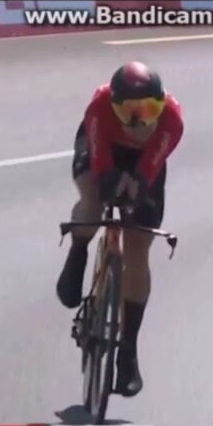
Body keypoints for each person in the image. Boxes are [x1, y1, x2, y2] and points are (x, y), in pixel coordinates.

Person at [56, 60, 184, 398]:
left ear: (161, 105)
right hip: (103, 147)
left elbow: (150, 166)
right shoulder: (99, 106)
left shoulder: (172, 119)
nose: (139, 120)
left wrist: (138, 182)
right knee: (93, 200)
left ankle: (128, 350)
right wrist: (108, 181)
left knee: (138, 246)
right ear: (113, 106)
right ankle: (79, 250)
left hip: (145, 158)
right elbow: (101, 165)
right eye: (128, 111)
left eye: (148, 110)